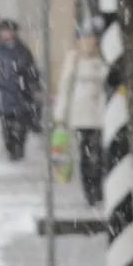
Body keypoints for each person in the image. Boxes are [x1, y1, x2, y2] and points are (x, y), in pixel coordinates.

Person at [52, 32, 109, 207]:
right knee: (86, 154)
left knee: (100, 155)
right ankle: (90, 191)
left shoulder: (105, 59)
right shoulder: (74, 59)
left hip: (102, 115)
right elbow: (65, 87)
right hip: (81, 115)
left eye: (92, 38)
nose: (89, 42)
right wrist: (60, 114)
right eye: (85, 38)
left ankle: (98, 189)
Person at [0, 21, 41, 161]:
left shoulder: (22, 50)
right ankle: (11, 148)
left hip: (21, 92)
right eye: (5, 31)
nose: (7, 34)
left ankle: (19, 147)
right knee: (8, 125)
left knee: (21, 124)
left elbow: (31, 70)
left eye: (10, 31)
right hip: (3, 93)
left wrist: (32, 82)